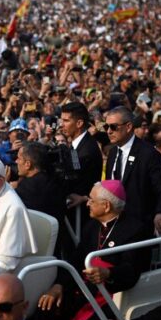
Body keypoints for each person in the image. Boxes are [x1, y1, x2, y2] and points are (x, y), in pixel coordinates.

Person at [36, 180, 151, 320]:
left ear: (106, 206)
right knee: (45, 309)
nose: (87, 203)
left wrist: (108, 273)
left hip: (113, 296)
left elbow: (132, 269)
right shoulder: (91, 226)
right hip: (84, 291)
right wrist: (58, 285)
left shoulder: (135, 230)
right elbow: (76, 260)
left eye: (92, 200)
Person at [103, 106, 161, 234]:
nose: (108, 131)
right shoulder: (113, 153)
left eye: (113, 127)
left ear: (128, 127)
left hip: (139, 226)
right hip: (114, 224)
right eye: (105, 127)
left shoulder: (149, 154)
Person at [59, 102, 103, 256]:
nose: (61, 125)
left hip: (82, 218)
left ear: (79, 123)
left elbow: (77, 176)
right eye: (61, 120)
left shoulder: (87, 150)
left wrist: (84, 198)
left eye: (66, 121)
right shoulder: (77, 145)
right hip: (74, 216)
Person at [13, 142, 66, 243]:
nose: (16, 161)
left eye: (19, 158)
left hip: (34, 244)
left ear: (28, 164)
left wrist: (6, 187)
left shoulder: (27, 188)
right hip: (55, 242)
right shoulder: (54, 180)